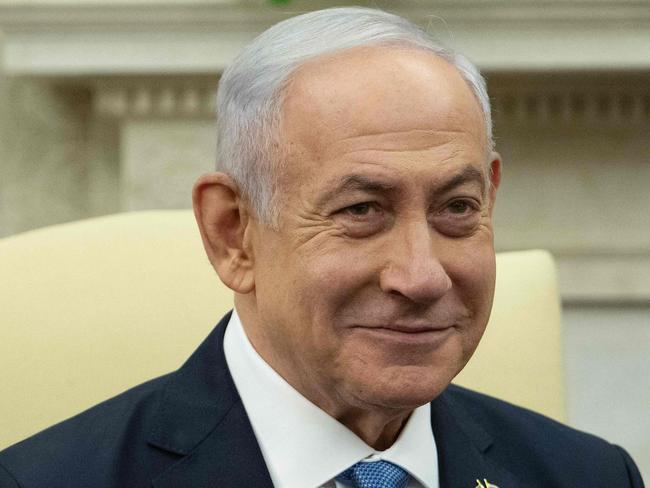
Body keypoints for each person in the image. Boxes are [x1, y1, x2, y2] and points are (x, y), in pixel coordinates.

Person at [0, 7, 644, 488]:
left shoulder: (590, 475)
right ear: (234, 234)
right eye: (362, 211)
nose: (422, 276)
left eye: (456, 209)